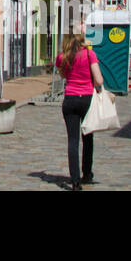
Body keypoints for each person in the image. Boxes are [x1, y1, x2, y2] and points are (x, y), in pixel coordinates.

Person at [55, 33, 104, 191]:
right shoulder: (89, 54)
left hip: (70, 100)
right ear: (81, 41)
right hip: (87, 100)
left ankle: (75, 182)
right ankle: (87, 174)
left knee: (72, 141)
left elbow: (63, 75)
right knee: (88, 138)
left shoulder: (61, 57)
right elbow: (99, 80)